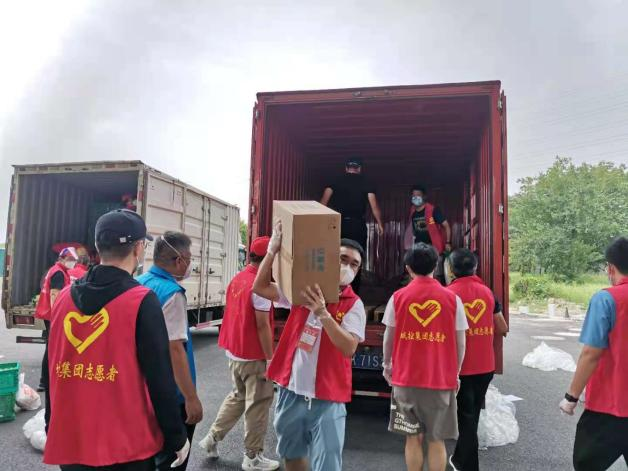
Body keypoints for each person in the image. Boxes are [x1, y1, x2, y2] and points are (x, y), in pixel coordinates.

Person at [43, 209, 190, 470]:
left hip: (71, 440)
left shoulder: (64, 298)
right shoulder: (140, 301)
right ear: (138, 248)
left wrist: (50, 422)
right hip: (126, 446)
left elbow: (51, 365)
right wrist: (176, 436)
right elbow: (159, 377)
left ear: (98, 246)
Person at [253, 222, 367, 471]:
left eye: (354, 265)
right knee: (291, 454)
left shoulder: (353, 304)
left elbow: (348, 347)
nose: (347, 268)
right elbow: (260, 287)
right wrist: (272, 251)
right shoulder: (303, 289)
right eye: (343, 259)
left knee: (327, 463)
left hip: (328, 397)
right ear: (329, 258)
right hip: (292, 390)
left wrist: (323, 314)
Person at [382, 242, 468, 471]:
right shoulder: (453, 299)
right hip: (440, 381)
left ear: (408, 268)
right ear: (436, 266)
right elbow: (461, 343)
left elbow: (388, 338)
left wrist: (387, 365)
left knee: (412, 438)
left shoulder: (398, 297)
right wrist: (456, 373)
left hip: (405, 380)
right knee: (436, 439)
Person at [199, 236, 280, 471]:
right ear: (269, 259)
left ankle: (212, 438)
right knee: (258, 404)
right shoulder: (260, 286)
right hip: (253, 355)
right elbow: (262, 325)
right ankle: (252, 457)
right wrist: (270, 359)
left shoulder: (238, 279)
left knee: (238, 396)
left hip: (235, 352)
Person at [560, 237, 628, 471]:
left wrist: (571, 397)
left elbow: (591, 353)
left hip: (609, 407)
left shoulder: (606, 299)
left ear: (610, 268)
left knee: (586, 464)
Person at [137, 232, 202, 471]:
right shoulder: (172, 293)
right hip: (171, 395)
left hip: (142, 389)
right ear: (179, 260)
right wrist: (191, 398)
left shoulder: (139, 283)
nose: (190, 264)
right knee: (172, 458)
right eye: (190, 258)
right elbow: (175, 350)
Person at [446, 249, 509, 471]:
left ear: (451, 270)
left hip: (460, 367)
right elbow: (502, 327)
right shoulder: (488, 293)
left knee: (466, 417)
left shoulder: (448, 294)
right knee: (470, 415)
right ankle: (460, 460)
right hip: (485, 367)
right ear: (475, 268)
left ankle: (467, 465)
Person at [35, 246, 79, 392]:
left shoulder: (56, 270)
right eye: (70, 259)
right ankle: (45, 381)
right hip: (51, 315)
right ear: (62, 258)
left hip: (48, 314)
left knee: (50, 347)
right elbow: (55, 295)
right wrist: (57, 316)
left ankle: (45, 381)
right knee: (51, 348)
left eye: (74, 260)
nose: (72, 262)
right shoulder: (59, 273)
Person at [320, 157, 385, 252]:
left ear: (346, 168)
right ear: (359, 168)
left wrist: (319, 223)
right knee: (358, 252)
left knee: (337, 253)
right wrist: (380, 224)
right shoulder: (367, 182)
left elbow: (323, 204)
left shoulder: (334, 181)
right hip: (357, 225)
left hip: (337, 224)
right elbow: (374, 207)